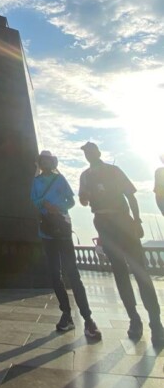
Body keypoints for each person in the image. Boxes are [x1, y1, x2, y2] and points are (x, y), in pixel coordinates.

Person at [79, 141, 164, 348]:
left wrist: (137, 220)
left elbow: (131, 196)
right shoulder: (85, 176)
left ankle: (156, 322)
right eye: (86, 152)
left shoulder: (114, 170)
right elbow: (82, 201)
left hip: (123, 221)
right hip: (103, 224)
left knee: (141, 272)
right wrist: (84, 196)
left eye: (91, 151)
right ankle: (134, 319)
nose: (89, 155)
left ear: (98, 152)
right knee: (119, 273)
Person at [31, 151, 101, 340]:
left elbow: (70, 201)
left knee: (73, 274)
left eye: (48, 159)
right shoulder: (36, 182)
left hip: (62, 230)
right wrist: (44, 205)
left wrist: (58, 208)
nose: (46, 162)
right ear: (40, 162)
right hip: (46, 231)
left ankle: (88, 319)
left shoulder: (60, 180)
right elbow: (34, 200)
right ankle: (66, 314)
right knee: (55, 275)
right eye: (42, 160)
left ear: (53, 162)